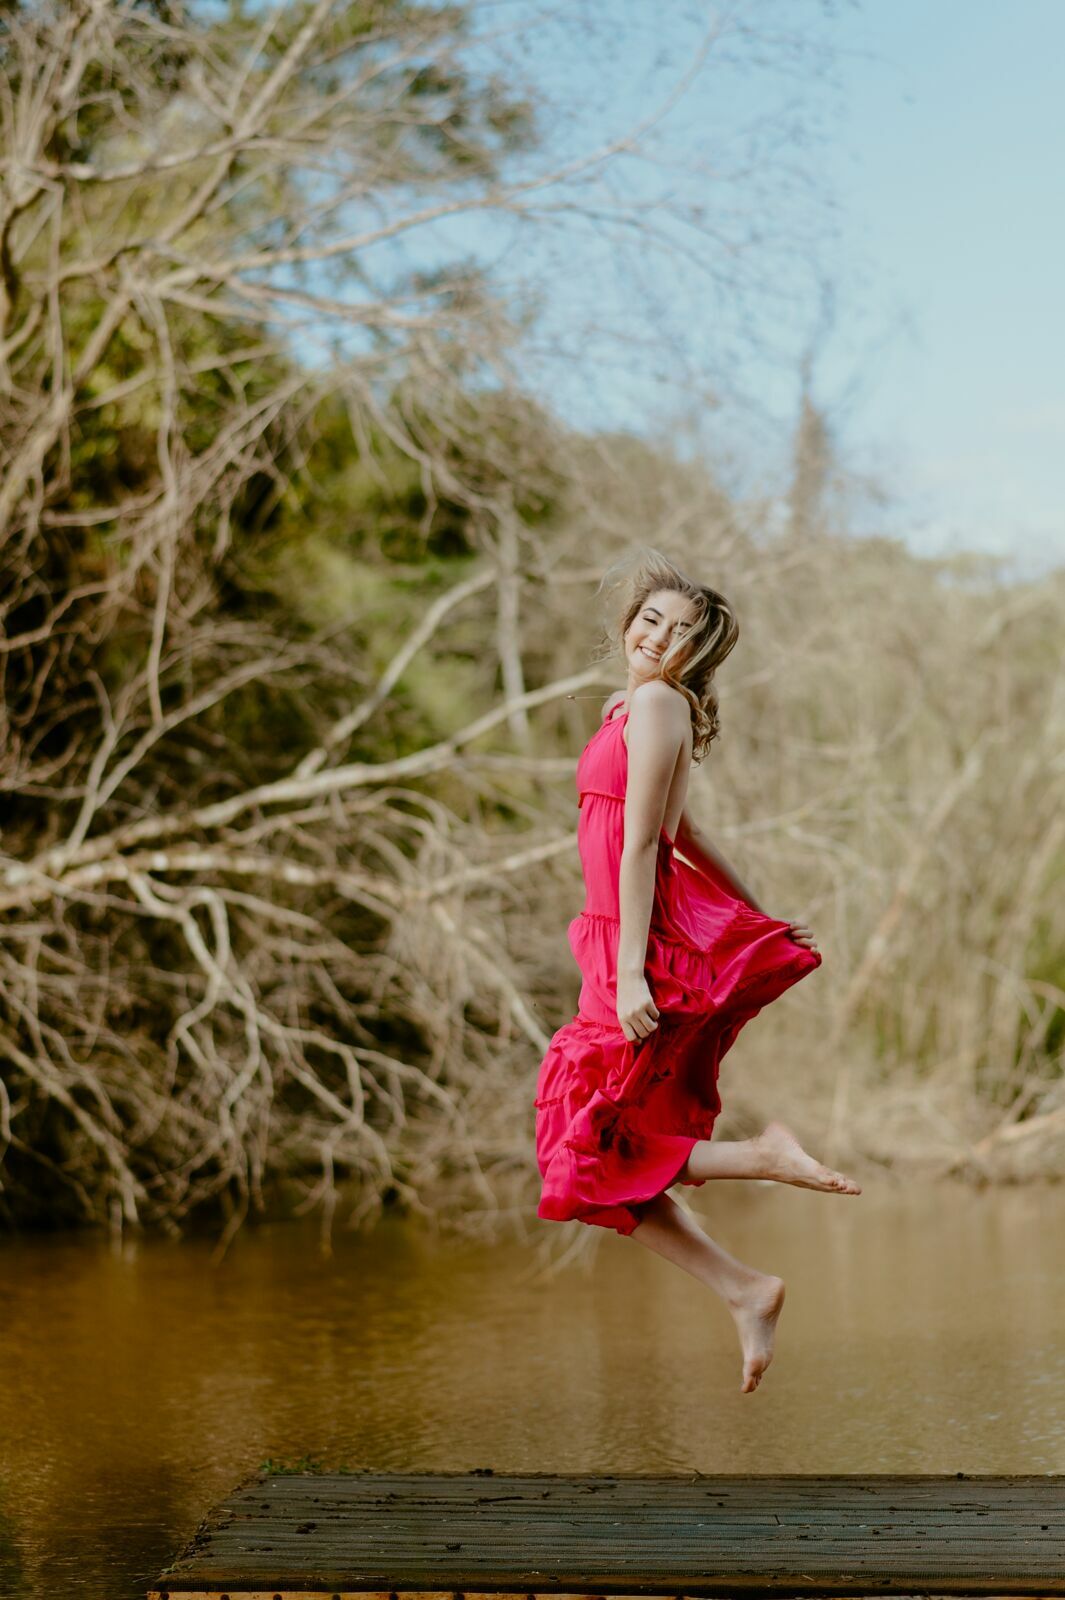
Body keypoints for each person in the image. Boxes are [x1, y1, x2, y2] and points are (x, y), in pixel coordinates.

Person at [534, 549, 861, 1393]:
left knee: (581, 1151)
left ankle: (761, 1157)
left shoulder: (652, 706)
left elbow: (645, 843)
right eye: (649, 620)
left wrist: (633, 971)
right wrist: (757, 909)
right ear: (627, 622)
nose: (657, 638)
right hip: (612, 939)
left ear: (697, 655)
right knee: (591, 1157)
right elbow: (688, 833)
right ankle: (745, 1288)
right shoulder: (633, 708)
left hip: (626, 945)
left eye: (680, 633)